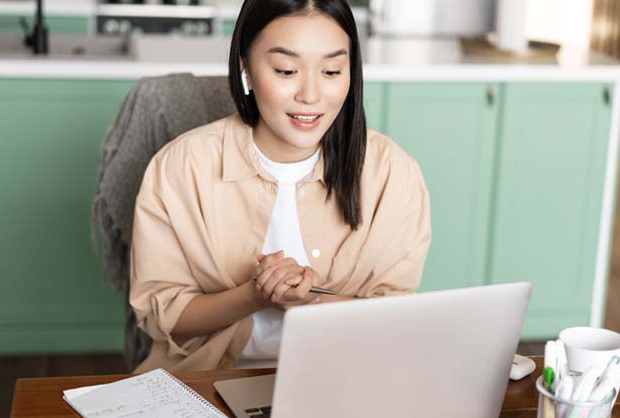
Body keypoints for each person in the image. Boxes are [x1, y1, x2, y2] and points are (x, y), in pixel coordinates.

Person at [129, 0, 431, 373]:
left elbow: (395, 317)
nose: (310, 95)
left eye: (332, 70)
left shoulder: (390, 173)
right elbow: (164, 317)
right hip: (208, 378)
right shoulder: (180, 167)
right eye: (286, 70)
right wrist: (254, 295)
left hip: (345, 376)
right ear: (246, 69)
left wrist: (312, 303)